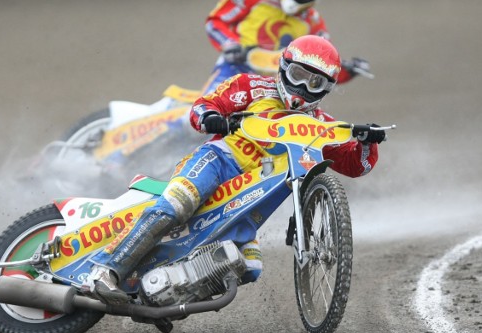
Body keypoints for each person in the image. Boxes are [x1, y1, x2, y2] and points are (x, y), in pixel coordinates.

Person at [81, 35, 385, 305]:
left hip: (250, 199)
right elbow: (201, 107)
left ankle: (163, 298)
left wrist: (367, 142)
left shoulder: (322, 124)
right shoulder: (249, 86)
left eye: (315, 83)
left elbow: (355, 165)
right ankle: (103, 271)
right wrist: (212, 117)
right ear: (283, 67)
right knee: (176, 205)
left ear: (327, 89)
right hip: (218, 161)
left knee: (248, 267)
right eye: (298, 75)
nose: (303, 88)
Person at [202, 0, 371, 95]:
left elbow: (320, 68)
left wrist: (348, 71)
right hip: (235, 68)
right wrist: (230, 43)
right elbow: (216, 21)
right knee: (211, 107)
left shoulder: (313, 23)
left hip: (279, 83)